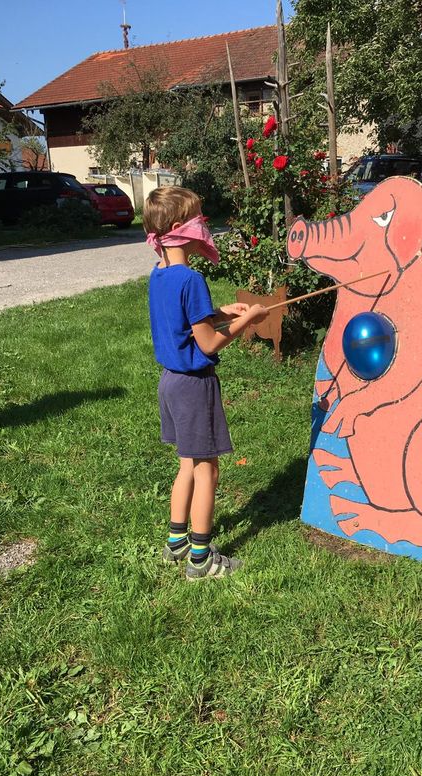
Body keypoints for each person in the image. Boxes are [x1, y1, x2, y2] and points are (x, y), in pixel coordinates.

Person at [143, 186, 268, 580]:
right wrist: (246, 320)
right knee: (207, 470)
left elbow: (184, 322)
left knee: (186, 464)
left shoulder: (159, 274)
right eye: (200, 218)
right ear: (181, 228)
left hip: (169, 382)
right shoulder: (191, 279)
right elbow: (209, 342)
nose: (205, 225)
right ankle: (201, 558)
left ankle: (176, 542)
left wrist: (219, 311)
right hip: (194, 386)